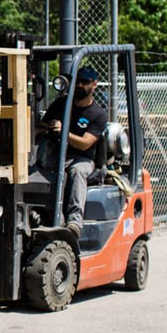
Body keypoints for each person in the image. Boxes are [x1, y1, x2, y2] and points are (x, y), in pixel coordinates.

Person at [36, 67, 108, 240]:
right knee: (35, 171)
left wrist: (63, 132)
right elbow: (40, 127)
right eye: (78, 82)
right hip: (56, 155)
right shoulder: (61, 104)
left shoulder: (97, 114)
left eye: (85, 82)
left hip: (82, 159)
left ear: (94, 84)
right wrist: (45, 127)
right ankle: (44, 216)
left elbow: (85, 144)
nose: (81, 85)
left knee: (77, 172)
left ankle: (75, 221)